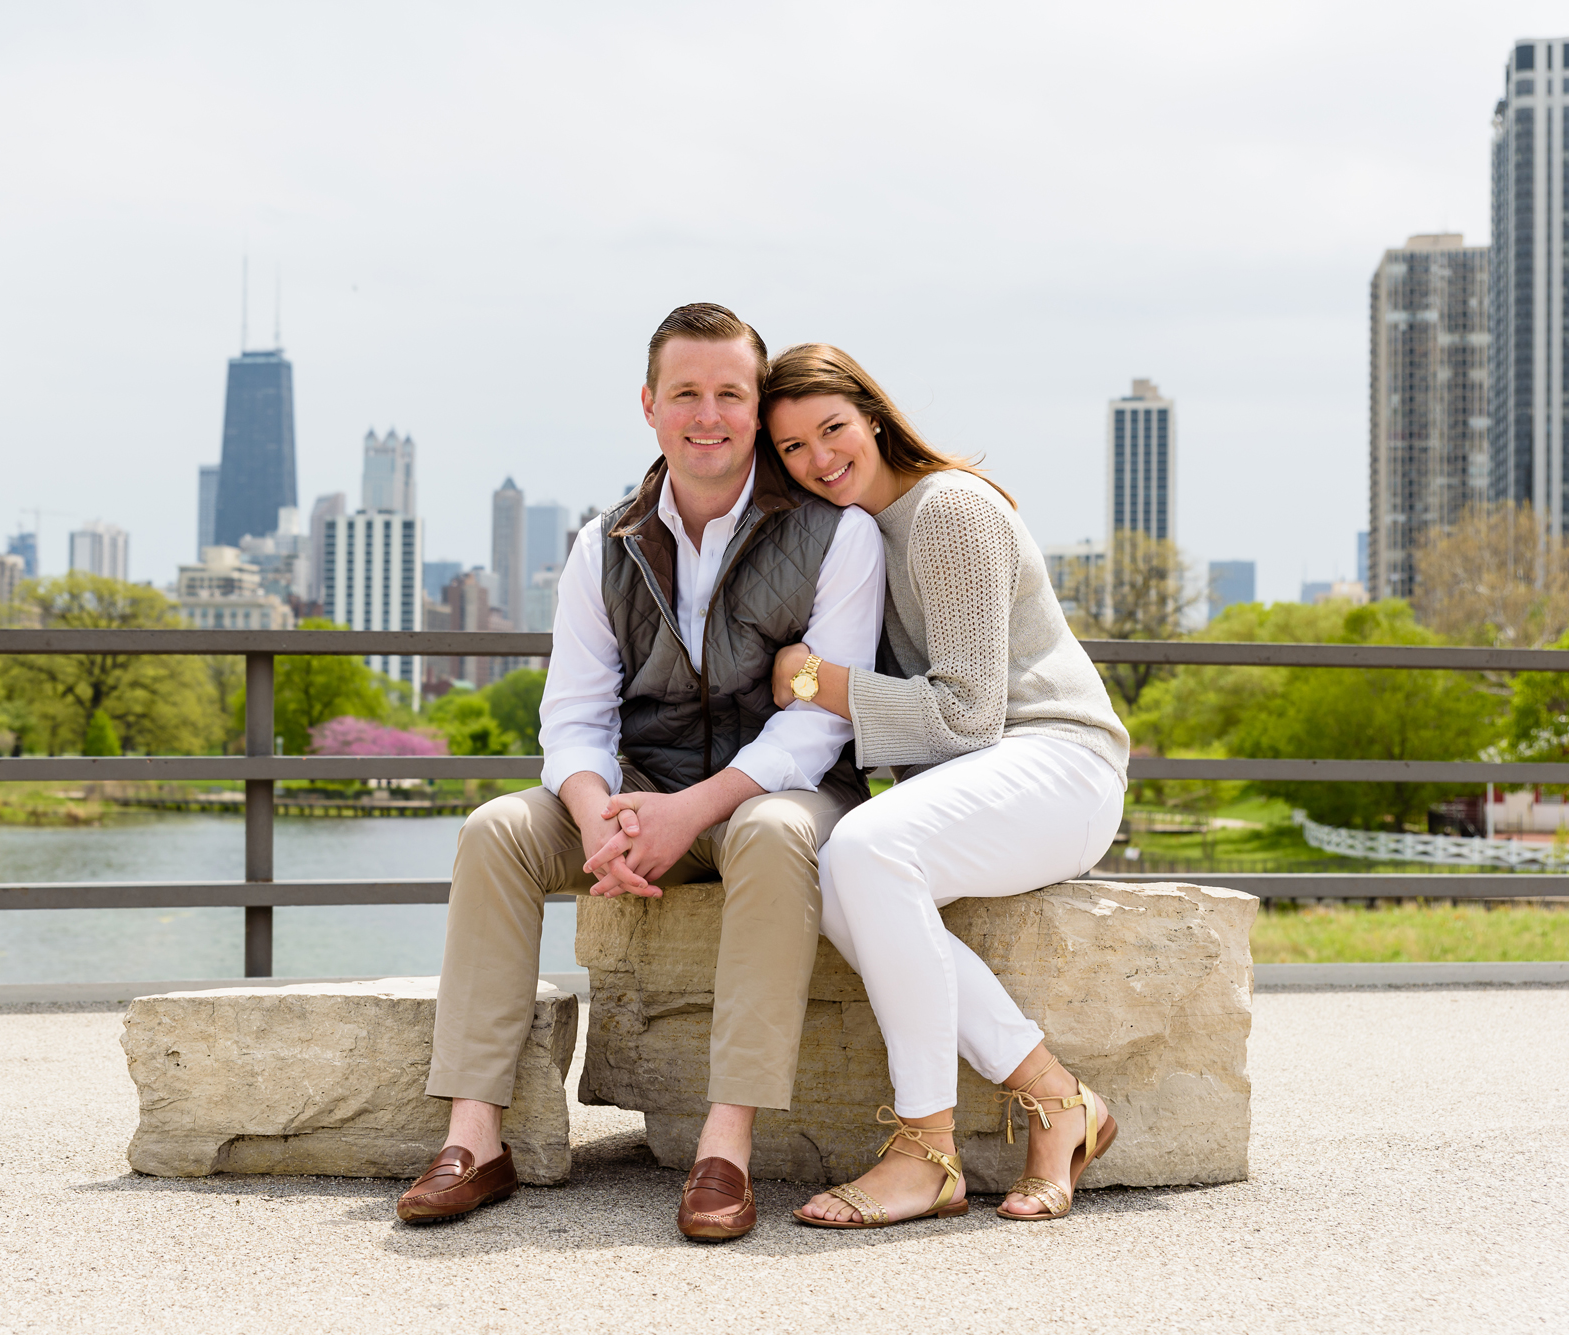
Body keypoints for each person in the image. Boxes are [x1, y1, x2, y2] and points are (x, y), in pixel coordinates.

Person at [396, 305, 884, 1241]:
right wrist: (595, 818)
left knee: (778, 830)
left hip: (776, 797)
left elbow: (812, 731)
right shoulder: (603, 543)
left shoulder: (837, 537)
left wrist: (684, 813)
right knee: (496, 828)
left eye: (731, 394)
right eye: (688, 393)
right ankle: (473, 1136)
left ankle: (724, 1147)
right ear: (651, 406)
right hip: (635, 793)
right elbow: (573, 716)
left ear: (755, 406)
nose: (710, 414)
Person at [761, 343, 1131, 1228]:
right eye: (791, 448)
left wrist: (813, 679)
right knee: (840, 882)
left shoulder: (948, 509)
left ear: (875, 419)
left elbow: (967, 712)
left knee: (867, 845)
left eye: (833, 429)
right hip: (995, 777)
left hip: (1061, 762)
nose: (818, 458)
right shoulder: (864, 535)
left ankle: (926, 1149)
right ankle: (1056, 1100)